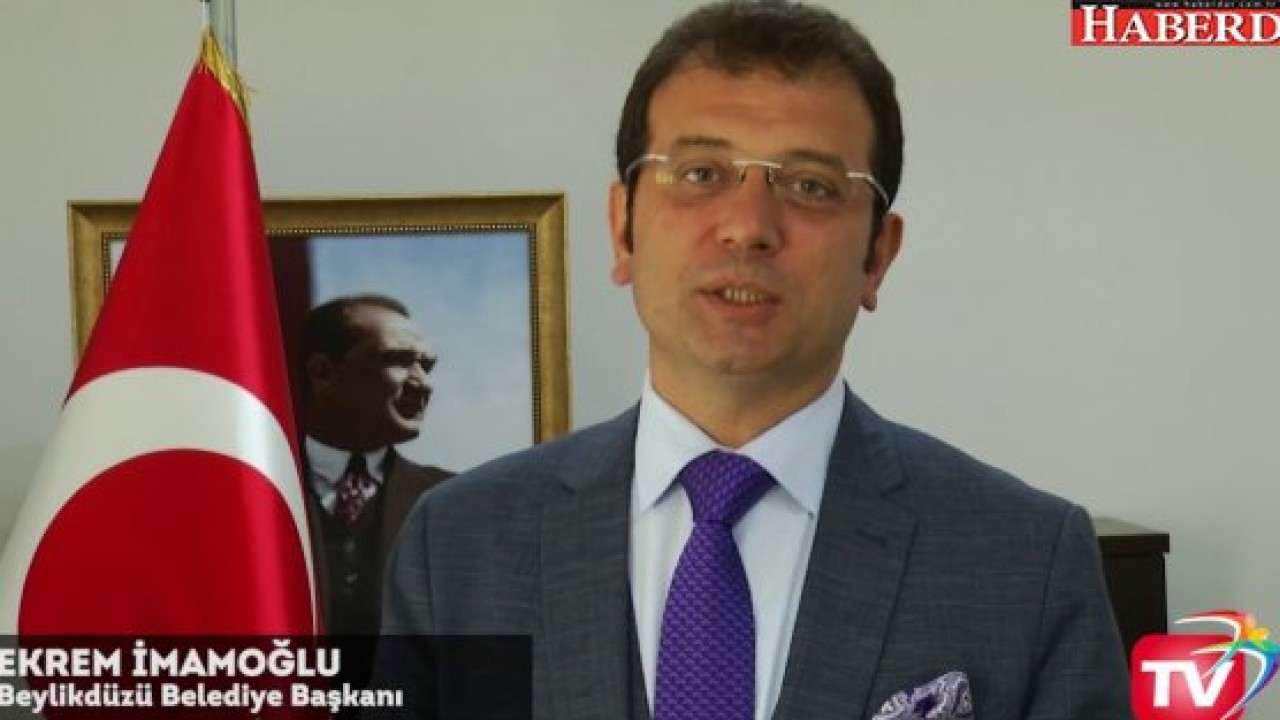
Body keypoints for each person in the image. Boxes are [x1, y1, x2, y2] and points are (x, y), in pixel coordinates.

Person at [378, 3, 1131, 718]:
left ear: (877, 255)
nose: (747, 226)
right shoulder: (459, 545)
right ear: (623, 228)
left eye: (810, 186)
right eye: (700, 173)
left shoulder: (1026, 561)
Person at [298, 293, 452, 639]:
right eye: (398, 361)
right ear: (323, 373)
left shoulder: (450, 500)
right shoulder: (252, 494)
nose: (422, 383)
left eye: (426, 366)